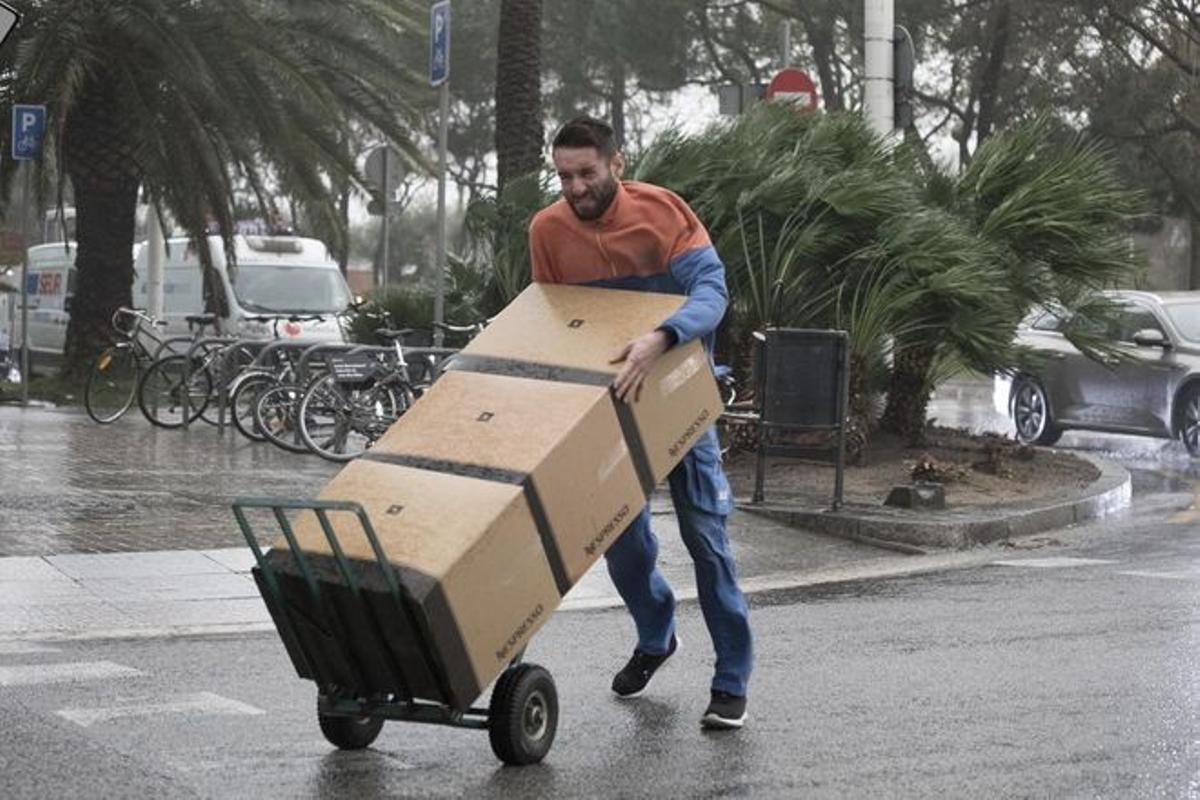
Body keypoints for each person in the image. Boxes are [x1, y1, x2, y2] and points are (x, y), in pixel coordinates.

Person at [528, 116, 753, 730]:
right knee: (623, 548)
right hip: (612, 407)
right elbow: (556, 316)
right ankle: (657, 637)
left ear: (617, 164)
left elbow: (712, 290)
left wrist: (662, 336)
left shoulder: (663, 212)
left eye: (587, 173)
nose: (575, 188)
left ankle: (731, 678)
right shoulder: (547, 230)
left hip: (679, 396)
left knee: (706, 541)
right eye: (564, 175)